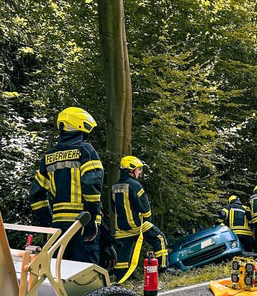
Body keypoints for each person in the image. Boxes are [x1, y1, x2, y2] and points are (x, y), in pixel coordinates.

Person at [29, 106, 104, 264]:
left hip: (57, 228)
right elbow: (91, 184)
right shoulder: (86, 151)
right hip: (81, 225)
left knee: (59, 272)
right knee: (84, 276)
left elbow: (36, 195)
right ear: (81, 126)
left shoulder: (48, 156)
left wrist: (47, 222)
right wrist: (89, 220)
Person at [111, 156, 168, 280]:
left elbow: (113, 207)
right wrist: (147, 218)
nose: (139, 172)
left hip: (121, 229)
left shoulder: (114, 187)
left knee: (122, 258)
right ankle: (163, 270)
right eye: (138, 169)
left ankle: (121, 280)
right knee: (159, 238)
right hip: (138, 225)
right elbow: (145, 208)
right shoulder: (135, 185)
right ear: (131, 170)